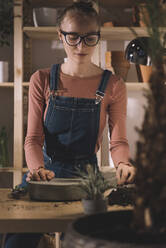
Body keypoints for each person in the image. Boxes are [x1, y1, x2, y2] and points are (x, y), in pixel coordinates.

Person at [4, 1, 135, 247]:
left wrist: (123, 163)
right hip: (44, 177)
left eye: (89, 38)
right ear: (60, 35)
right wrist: (37, 169)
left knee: (85, 240)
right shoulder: (41, 79)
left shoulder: (114, 85)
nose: (81, 46)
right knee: (16, 241)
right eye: (73, 37)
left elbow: (117, 141)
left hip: (87, 181)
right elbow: (32, 139)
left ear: (98, 37)